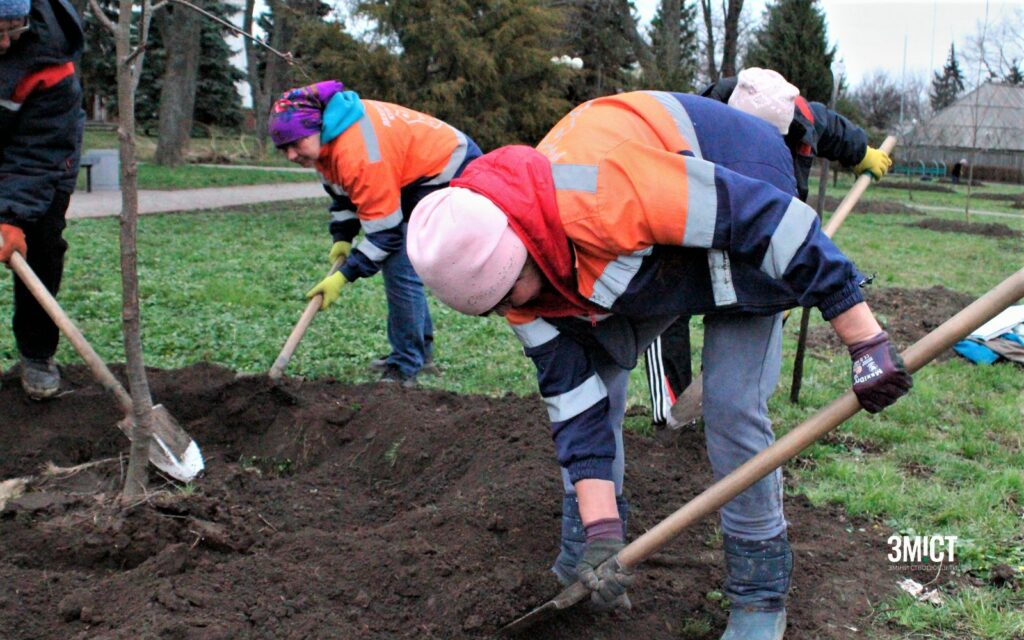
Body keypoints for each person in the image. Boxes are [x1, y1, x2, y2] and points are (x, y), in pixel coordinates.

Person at [406, 91, 912, 640]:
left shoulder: (607, 195)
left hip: (741, 184)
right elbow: (578, 410)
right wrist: (602, 533)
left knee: (732, 406)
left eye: (509, 293)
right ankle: (586, 558)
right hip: (647, 245)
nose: (510, 311)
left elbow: (775, 224)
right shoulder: (511, 285)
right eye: (495, 307)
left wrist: (865, 343)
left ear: (526, 248)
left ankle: (759, 596)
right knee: (601, 385)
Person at [644, 68, 893, 428]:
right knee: (669, 303)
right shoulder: (698, 119)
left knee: (745, 326)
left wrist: (862, 154)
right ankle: (669, 402)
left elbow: (834, 129)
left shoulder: (800, 117)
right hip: (695, 220)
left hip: (765, 230)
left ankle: (726, 396)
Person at [269, 81, 482, 386]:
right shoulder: (326, 144)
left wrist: (343, 277)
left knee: (398, 264)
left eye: (295, 144)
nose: (291, 155)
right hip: (412, 174)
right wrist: (342, 238)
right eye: (283, 148)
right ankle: (418, 353)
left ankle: (407, 364)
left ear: (315, 128)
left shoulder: (359, 153)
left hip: (448, 173)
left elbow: (386, 236)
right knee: (400, 264)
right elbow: (343, 197)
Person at [0, 0, 84, 400]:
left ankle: (36, 353)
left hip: (44, 155)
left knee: (42, 244)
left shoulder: (49, 52)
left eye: (12, 29)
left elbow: (41, 149)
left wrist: (10, 216)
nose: (3, 43)